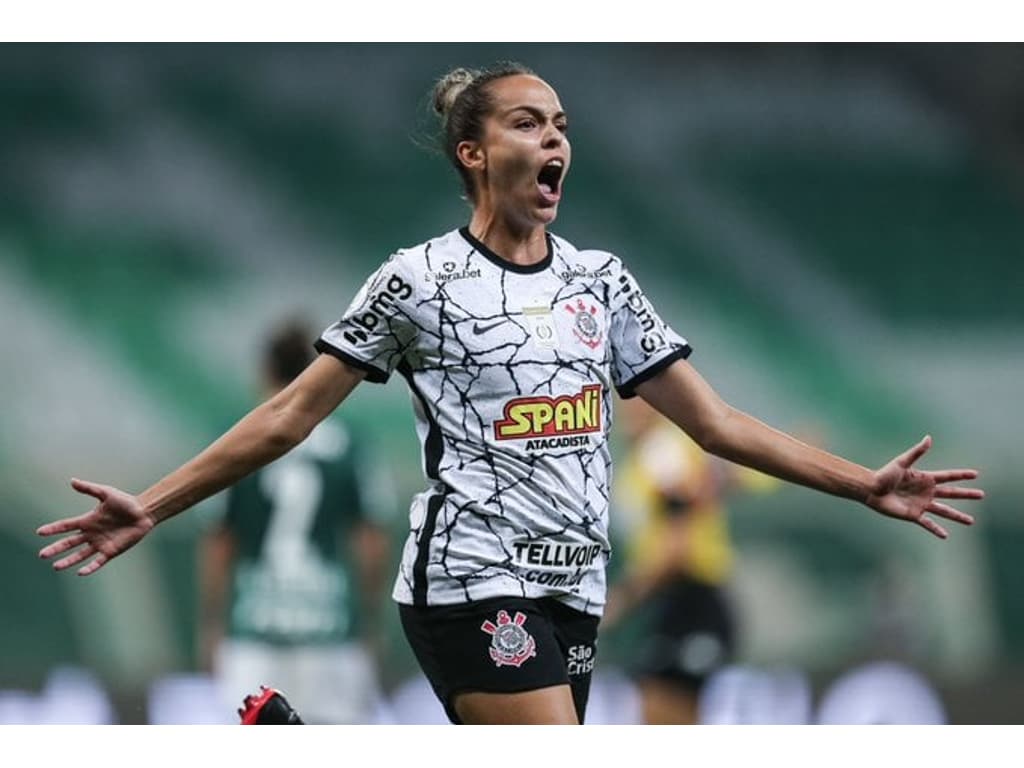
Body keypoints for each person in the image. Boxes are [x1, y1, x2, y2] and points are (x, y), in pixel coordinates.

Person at [37, 61, 984, 726]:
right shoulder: (417, 282)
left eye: (562, 123)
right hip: (468, 580)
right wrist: (153, 507)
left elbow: (719, 423)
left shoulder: (602, 283)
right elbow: (291, 412)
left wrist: (861, 483)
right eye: (529, 123)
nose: (555, 137)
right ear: (473, 155)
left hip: (573, 589)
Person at [197, 318, 392, 724]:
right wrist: (369, 617)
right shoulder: (351, 442)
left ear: (265, 370)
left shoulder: (234, 439)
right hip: (331, 629)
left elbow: (219, 539)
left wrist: (212, 622)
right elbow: (371, 539)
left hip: (255, 628)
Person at [602, 395, 777, 724]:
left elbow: (676, 546)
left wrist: (624, 598)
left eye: (642, 401)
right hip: (675, 602)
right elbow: (726, 481)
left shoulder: (662, 453)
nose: (630, 410)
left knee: (663, 715)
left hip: (694, 598)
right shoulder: (653, 457)